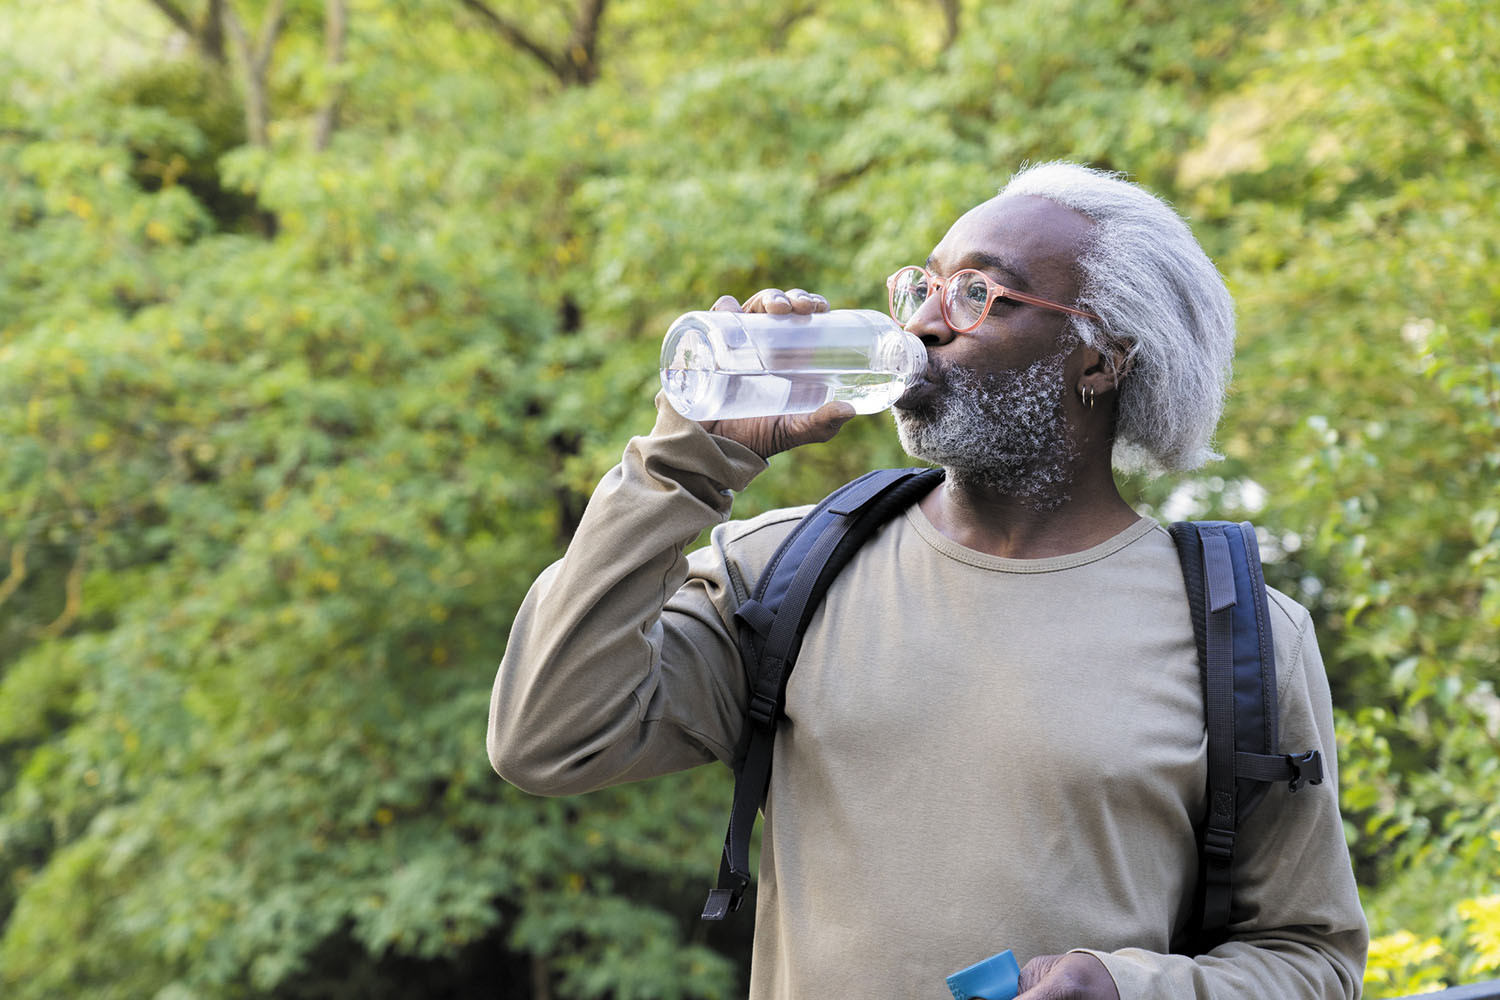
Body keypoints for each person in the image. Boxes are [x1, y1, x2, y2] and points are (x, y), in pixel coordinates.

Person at [488, 162, 1368, 999]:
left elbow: (1312, 960)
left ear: (1102, 360)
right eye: (922, 287)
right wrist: (687, 461)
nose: (923, 325)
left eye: (977, 294)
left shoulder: (1237, 632)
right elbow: (546, 736)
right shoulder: (794, 569)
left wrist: (1130, 987)